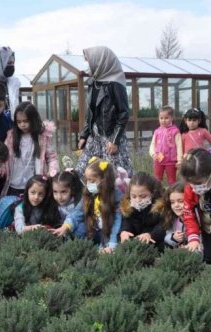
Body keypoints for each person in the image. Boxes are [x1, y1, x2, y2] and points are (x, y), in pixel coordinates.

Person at [76, 46, 133, 177]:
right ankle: (88, 191)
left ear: (99, 60)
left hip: (110, 136)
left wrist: (115, 140)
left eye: (87, 60)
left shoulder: (115, 84)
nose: (86, 63)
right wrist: (84, 135)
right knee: (85, 169)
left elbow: (123, 113)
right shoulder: (93, 83)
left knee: (115, 174)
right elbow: (91, 113)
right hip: (95, 136)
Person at [0, 102, 59, 197]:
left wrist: (53, 170)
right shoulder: (11, 136)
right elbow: (3, 155)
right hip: (13, 184)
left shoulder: (43, 136)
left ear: (33, 119)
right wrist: (2, 169)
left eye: (26, 121)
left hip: (35, 186)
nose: (22, 125)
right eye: (19, 122)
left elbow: (51, 156)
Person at [82, 157, 123, 253]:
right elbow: (77, 212)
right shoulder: (90, 194)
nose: (88, 184)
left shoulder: (116, 197)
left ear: (105, 181)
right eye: (87, 180)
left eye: (92, 181)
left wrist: (112, 243)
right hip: (98, 233)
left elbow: (117, 222)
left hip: (113, 235)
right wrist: (67, 224)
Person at [119, 172, 167, 247]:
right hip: (135, 245)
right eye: (134, 196)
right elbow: (126, 223)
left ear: (152, 193)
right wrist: (124, 232)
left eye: (143, 196)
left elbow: (163, 226)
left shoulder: (160, 208)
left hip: (156, 244)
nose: (138, 200)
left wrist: (151, 235)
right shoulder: (128, 208)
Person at [149, 106, 183, 183]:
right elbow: (153, 144)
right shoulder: (157, 131)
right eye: (161, 118)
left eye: (166, 118)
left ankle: (173, 190)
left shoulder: (175, 131)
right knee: (157, 179)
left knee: (172, 180)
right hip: (158, 159)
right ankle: (157, 190)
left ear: (172, 118)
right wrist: (153, 154)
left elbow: (179, 146)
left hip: (171, 161)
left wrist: (180, 160)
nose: (163, 120)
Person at [50, 171, 85, 239]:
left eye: (63, 192)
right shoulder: (52, 203)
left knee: (81, 228)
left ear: (72, 190)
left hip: (78, 232)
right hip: (62, 231)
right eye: (55, 192)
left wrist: (65, 227)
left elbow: (76, 215)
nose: (59, 197)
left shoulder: (79, 201)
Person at [161, 181, 186, 248]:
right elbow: (167, 237)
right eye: (172, 202)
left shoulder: (198, 219)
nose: (176, 205)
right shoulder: (173, 218)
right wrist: (173, 237)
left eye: (181, 201)